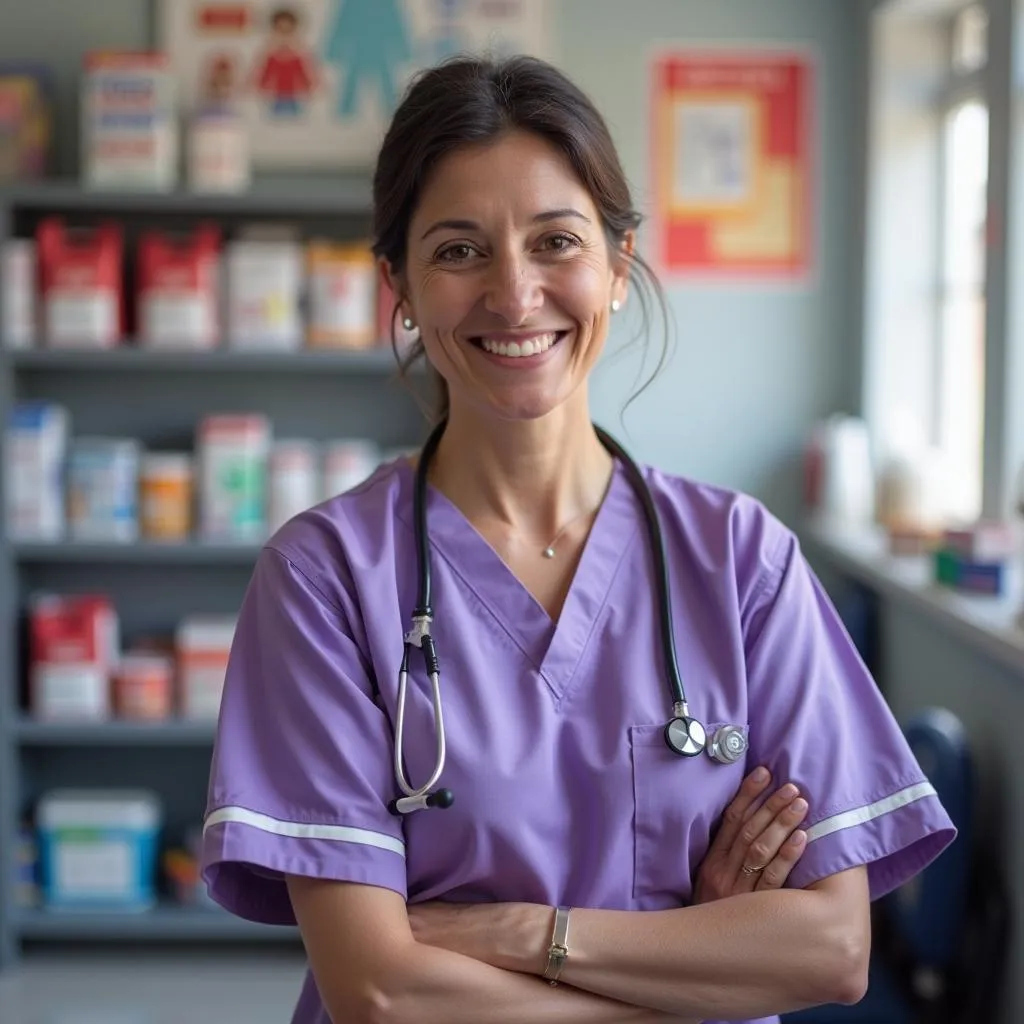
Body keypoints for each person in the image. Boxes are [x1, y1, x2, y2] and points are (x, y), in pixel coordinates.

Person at [200, 55, 957, 1024]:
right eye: (459, 250)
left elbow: (831, 948)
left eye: (554, 241)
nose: (514, 297)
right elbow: (382, 990)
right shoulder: (324, 578)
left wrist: (520, 932)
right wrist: (699, 969)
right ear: (397, 284)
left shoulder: (741, 561)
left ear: (617, 265)